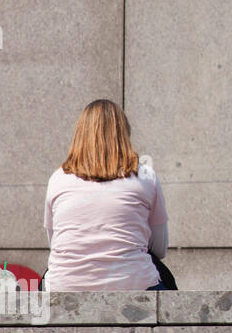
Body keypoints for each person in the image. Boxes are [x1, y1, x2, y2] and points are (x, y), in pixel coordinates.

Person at [44, 99, 172, 291]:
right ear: (124, 134)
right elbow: (159, 249)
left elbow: (55, 241)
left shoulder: (58, 178)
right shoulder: (145, 176)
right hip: (134, 283)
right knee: (166, 279)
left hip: (64, 285)